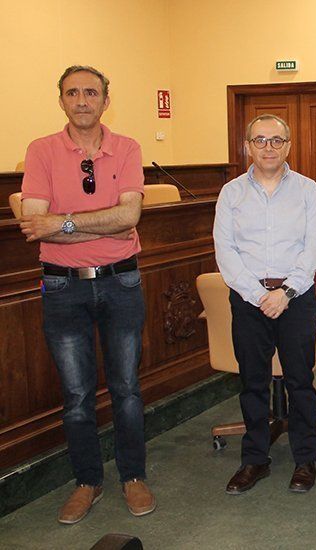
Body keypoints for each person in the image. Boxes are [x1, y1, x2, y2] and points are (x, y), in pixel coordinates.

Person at [19, 65, 155, 524]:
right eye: (73, 93)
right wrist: (102, 221)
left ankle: (133, 476)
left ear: (105, 100)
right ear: (61, 100)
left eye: (91, 93)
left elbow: (129, 218)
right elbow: (34, 223)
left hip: (122, 282)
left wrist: (63, 223)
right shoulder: (40, 151)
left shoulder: (128, 148)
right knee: (76, 396)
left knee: (127, 390)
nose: (82, 100)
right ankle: (87, 482)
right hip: (61, 287)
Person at [213, 114, 316, 495]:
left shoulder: (308, 190)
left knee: (300, 381)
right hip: (249, 300)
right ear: (247, 146)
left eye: (276, 141)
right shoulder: (231, 193)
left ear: (288, 146)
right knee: (253, 382)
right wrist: (257, 295)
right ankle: (255, 460)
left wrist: (286, 293)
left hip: (295, 298)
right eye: (260, 140)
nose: (268, 147)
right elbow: (225, 252)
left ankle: (304, 459)